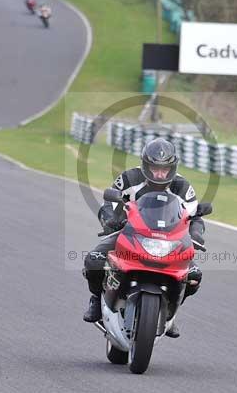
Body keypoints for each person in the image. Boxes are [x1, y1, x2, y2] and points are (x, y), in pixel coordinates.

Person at [81, 138, 204, 338]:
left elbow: (195, 215)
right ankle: (96, 299)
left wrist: (196, 234)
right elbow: (108, 204)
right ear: (145, 165)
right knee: (93, 259)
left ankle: (170, 315)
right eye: (154, 168)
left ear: (172, 168)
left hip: (170, 240)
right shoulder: (129, 178)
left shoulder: (183, 186)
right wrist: (110, 221)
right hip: (128, 232)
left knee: (194, 276)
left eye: (164, 169)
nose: (159, 173)